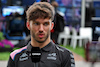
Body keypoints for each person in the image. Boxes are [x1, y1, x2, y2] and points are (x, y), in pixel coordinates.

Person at [7, 2, 75, 67]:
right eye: (36, 24)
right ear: (28, 25)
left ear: (51, 26)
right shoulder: (15, 56)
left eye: (45, 24)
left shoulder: (65, 55)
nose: (41, 29)